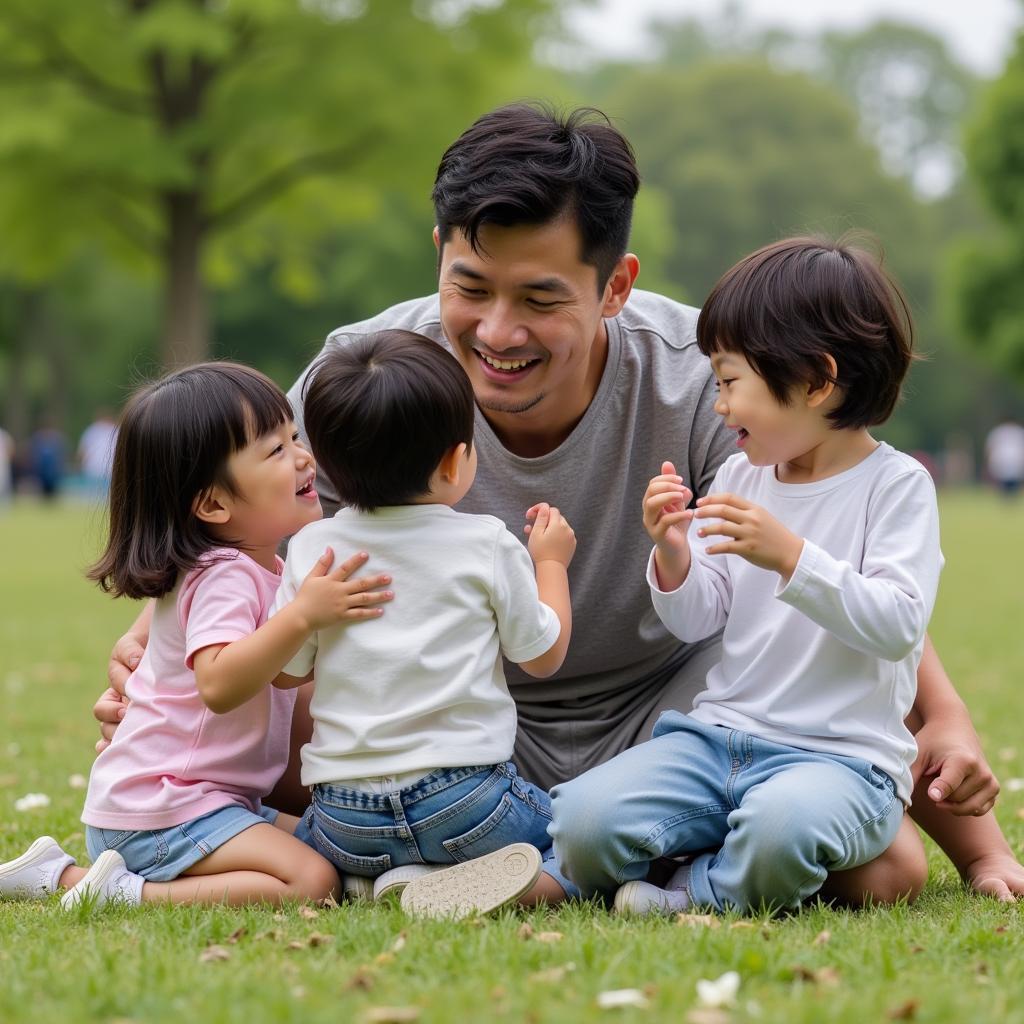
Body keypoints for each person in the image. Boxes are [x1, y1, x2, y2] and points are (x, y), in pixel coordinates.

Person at [97, 103, 1024, 903]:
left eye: (540, 298)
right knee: (302, 697)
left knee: (884, 866)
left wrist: (946, 725)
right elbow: (245, 524)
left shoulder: (704, 381)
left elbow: (831, 544)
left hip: (673, 719)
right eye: (470, 287)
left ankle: (591, 855)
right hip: (440, 734)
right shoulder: (373, 374)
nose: (497, 332)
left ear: (615, 285)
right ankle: (603, 862)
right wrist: (164, 645)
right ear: (439, 256)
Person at [549, 236, 941, 913]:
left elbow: (898, 624)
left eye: (730, 382)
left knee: (781, 832)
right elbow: (703, 615)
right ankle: (692, 870)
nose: (720, 405)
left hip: (840, 762)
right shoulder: (743, 475)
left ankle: (691, 893)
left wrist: (792, 557)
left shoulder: (896, 487)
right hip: (717, 742)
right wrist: (673, 553)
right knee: (583, 822)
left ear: (816, 381)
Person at [0, 363, 394, 909]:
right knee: (313, 881)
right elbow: (219, 682)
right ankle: (105, 891)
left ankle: (60, 873)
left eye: (294, 437)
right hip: (165, 808)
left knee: (328, 850)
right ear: (213, 504)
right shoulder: (224, 575)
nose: (304, 457)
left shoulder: (253, 570)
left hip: (211, 802)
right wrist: (302, 617)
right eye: (276, 451)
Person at [276, 330, 578, 917]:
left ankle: (379, 877)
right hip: (469, 803)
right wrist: (551, 563)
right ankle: (466, 887)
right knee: (582, 846)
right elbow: (543, 656)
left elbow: (287, 676)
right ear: (453, 461)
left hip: (343, 816)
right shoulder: (484, 542)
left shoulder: (315, 546)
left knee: (306, 835)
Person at [77, 409, 118, 494]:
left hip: (107, 469)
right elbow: (83, 451)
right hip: (95, 469)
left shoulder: (114, 430)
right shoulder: (93, 430)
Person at [984, 417, 1024, 498]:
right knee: (1005, 483)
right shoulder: (1000, 431)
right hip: (1003, 461)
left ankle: (1009, 497)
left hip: (1012, 462)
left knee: (1012, 483)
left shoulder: (999, 431)